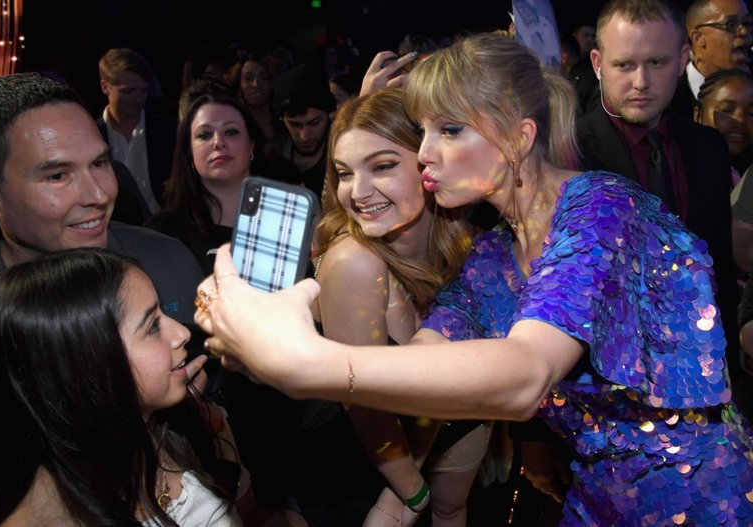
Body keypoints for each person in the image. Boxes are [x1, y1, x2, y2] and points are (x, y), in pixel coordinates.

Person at [195, 32, 753, 526]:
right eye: (422, 132)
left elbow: (525, 374)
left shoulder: (601, 211)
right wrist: (272, 340)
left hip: (699, 495)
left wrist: (308, 363)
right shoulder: (492, 257)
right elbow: (425, 364)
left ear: (517, 137)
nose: (424, 153)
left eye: (449, 130)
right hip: (597, 497)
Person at [0, 73, 204, 489]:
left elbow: (223, 409)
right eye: (57, 176)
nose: (99, 195)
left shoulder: (168, 260)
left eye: (100, 163)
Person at [0, 248, 241, 526]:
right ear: (85, 368)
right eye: (152, 326)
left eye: (162, 313)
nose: (182, 333)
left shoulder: (177, 428)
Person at [314, 87, 486, 526]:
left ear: (429, 164)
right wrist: (410, 493)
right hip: (364, 471)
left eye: (383, 166)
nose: (357, 192)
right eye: (345, 173)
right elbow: (364, 404)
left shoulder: (467, 243)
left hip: (449, 428)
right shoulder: (355, 263)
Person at [579, 0, 741, 415]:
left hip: (702, 390)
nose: (641, 81)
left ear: (683, 59)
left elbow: (719, 270)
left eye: (656, 62)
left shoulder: (708, 148)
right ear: (597, 64)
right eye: (624, 65)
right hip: (598, 399)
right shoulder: (568, 154)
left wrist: (728, 383)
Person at [146, 82, 298, 275]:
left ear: (251, 145)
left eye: (231, 132)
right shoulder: (163, 234)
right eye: (205, 135)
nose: (218, 142)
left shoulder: (289, 221)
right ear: (189, 151)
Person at [97, 48, 177, 214]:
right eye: (128, 91)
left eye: (144, 91)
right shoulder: (92, 135)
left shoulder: (168, 131)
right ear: (105, 87)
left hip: (163, 222)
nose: (139, 99)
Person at [671, 0, 752, 118]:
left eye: (747, 23)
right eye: (731, 24)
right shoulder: (668, 98)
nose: (744, 32)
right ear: (698, 38)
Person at [272, 64, 336, 201]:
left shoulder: (344, 157)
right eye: (295, 125)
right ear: (282, 119)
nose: (304, 136)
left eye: (314, 123)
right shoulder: (272, 157)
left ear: (330, 114)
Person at [693, 68, 753, 188]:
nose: (740, 119)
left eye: (751, 113)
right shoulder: (678, 171)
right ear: (698, 115)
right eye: (726, 110)